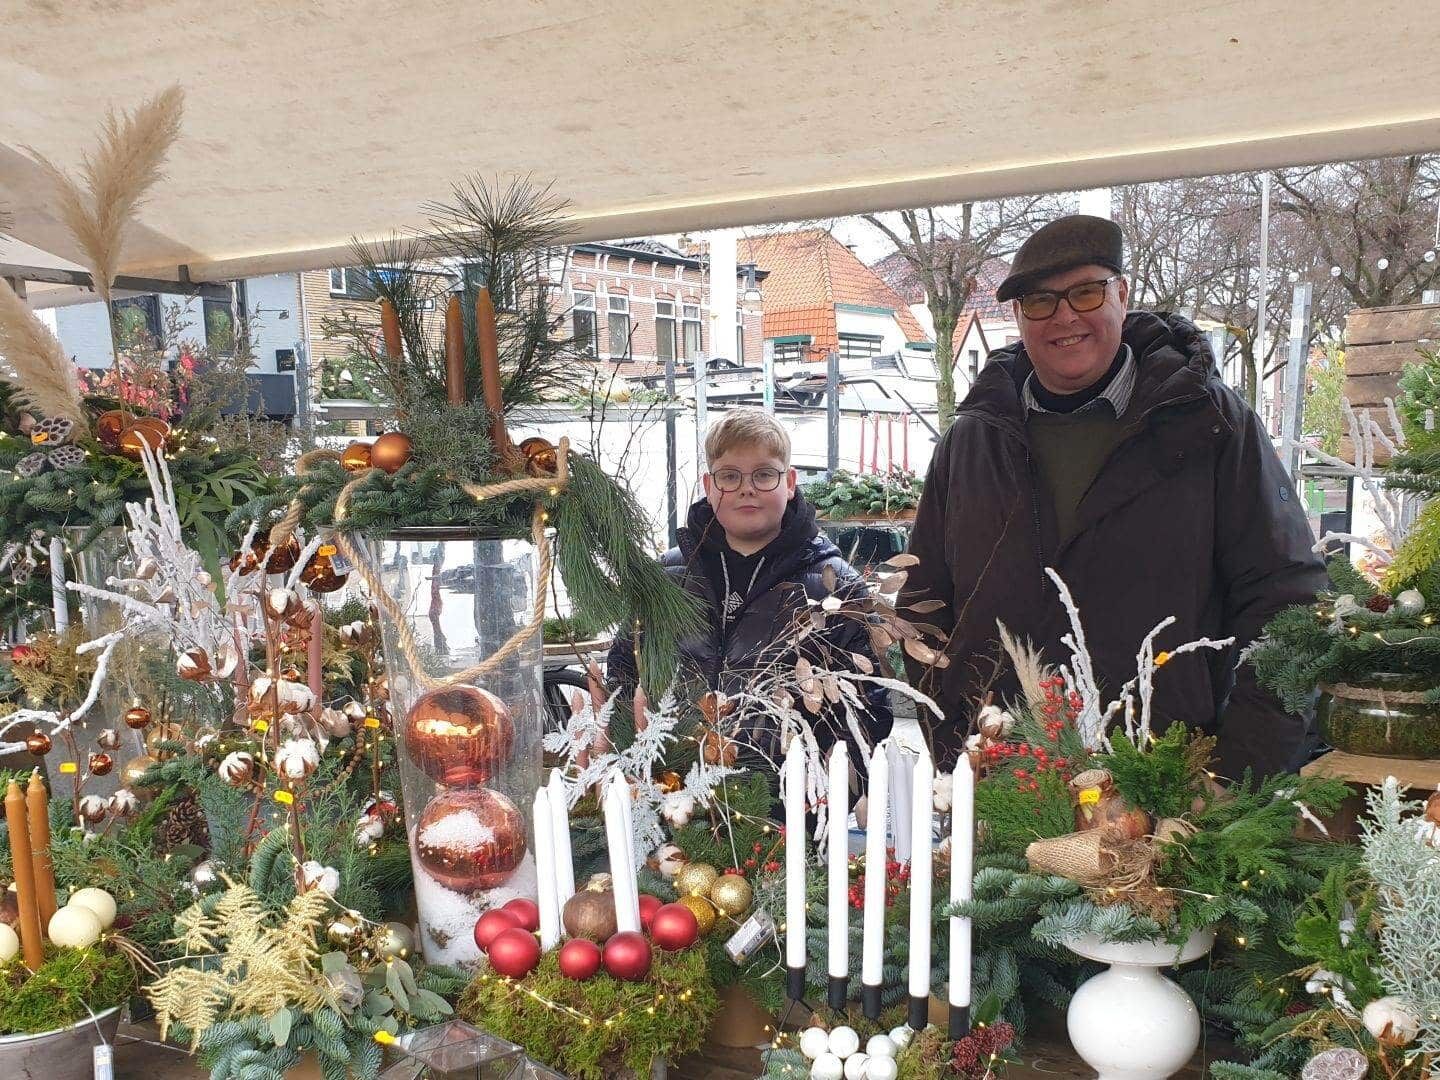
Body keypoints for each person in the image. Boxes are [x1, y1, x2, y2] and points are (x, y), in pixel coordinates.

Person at [899, 214, 1327, 779]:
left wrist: (1237, 767)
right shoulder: (972, 439)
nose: (1065, 317)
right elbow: (924, 603)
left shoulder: (1210, 425)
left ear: (1122, 295)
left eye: (1086, 292)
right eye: (1040, 302)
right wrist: (953, 731)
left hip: (1166, 779)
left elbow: (1286, 599)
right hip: (1002, 773)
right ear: (1018, 316)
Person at [608, 408, 892, 763]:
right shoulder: (665, 578)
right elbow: (624, 669)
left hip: (789, 803)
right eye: (729, 476)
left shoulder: (834, 588)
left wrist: (820, 794)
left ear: (789, 483)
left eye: (764, 475)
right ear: (709, 486)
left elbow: (866, 708)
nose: (746, 489)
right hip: (675, 795)